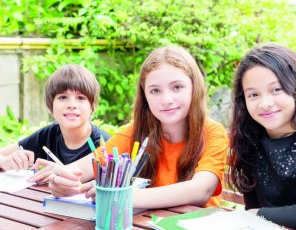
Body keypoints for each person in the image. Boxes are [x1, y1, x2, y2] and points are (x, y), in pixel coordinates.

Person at [48, 46, 228, 208]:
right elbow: (81, 169)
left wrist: (122, 196)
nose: (166, 99)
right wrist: (61, 181)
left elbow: (201, 190)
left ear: (194, 88)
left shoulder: (213, 133)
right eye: (155, 90)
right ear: (145, 96)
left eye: (177, 87)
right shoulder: (136, 132)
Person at [228, 43, 296, 229]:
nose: (265, 103)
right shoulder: (251, 139)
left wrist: (257, 214)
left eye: (276, 89)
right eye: (253, 94)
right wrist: (254, 215)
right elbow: (253, 214)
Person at [0, 64, 110, 183]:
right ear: (50, 105)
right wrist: (6, 161)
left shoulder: (104, 144)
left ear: (92, 106)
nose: (71, 105)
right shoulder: (49, 134)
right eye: (63, 97)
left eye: (80, 98)